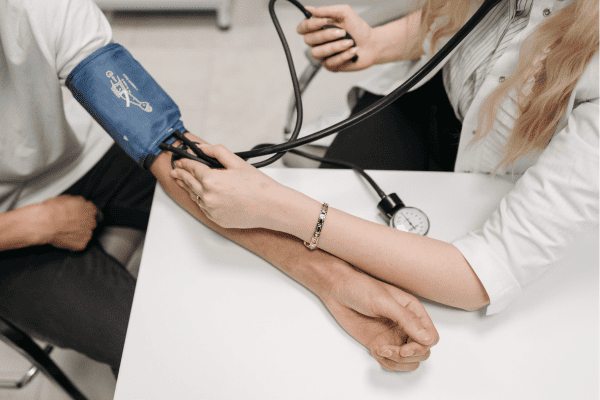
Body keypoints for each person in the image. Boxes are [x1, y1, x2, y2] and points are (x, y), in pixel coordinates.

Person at [0, 0, 437, 377]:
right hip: (11, 237)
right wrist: (31, 226)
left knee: (217, 203)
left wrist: (332, 280)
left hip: (85, 156)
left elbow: (167, 149)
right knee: (152, 351)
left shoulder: (38, 9)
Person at [170, 0, 598, 325]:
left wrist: (274, 203)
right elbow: (468, 22)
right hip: (422, 110)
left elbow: (481, 277)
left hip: (486, 186)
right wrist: (378, 43)